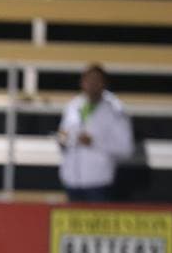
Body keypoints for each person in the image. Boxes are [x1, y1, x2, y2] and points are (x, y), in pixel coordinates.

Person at [57, 64, 134, 201]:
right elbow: (63, 135)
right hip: (71, 181)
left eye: (96, 80)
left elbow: (125, 149)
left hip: (98, 182)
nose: (91, 84)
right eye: (88, 80)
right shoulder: (73, 105)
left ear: (104, 83)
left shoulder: (115, 110)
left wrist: (94, 142)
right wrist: (62, 140)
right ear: (82, 82)